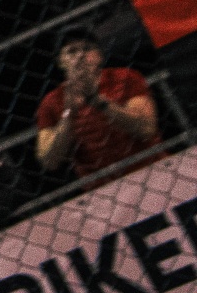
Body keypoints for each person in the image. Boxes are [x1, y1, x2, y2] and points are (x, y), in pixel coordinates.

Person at [35, 27, 160, 181]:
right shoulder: (52, 101)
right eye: (72, 51)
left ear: (99, 55)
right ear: (60, 61)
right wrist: (69, 114)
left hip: (151, 167)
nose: (80, 55)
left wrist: (99, 102)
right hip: (102, 185)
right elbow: (49, 161)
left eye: (87, 49)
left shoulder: (124, 77)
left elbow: (147, 129)